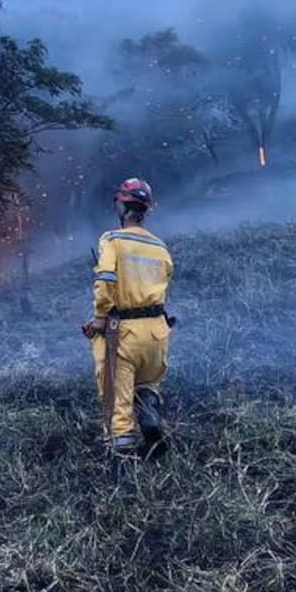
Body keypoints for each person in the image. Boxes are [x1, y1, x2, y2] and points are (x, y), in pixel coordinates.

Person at [83, 178, 174, 459]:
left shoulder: (112, 239)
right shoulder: (160, 247)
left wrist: (100, 317)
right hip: (157, 332)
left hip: (123, 332)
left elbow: (106, 278)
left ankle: (121, 472)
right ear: (145, 210)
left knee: (116, 403)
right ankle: (148, 412)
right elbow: (163, 285)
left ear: (122, 206)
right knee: (146, 384)